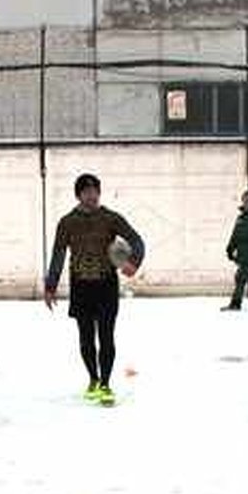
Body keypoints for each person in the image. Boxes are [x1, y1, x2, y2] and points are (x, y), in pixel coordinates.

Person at [43, 173, 146, 405]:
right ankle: (93, 379)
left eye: (94, 191)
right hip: (81, 284)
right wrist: (50, 286)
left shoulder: (111, 218)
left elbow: (137, 240)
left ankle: (106, 384)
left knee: (107, 336)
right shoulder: (67, 222)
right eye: (86, 191)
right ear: (78, 195)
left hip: (106, 283)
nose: (91, 196)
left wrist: (134, 263)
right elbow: (58, 254)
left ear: (99, 193)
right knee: (86, 338)